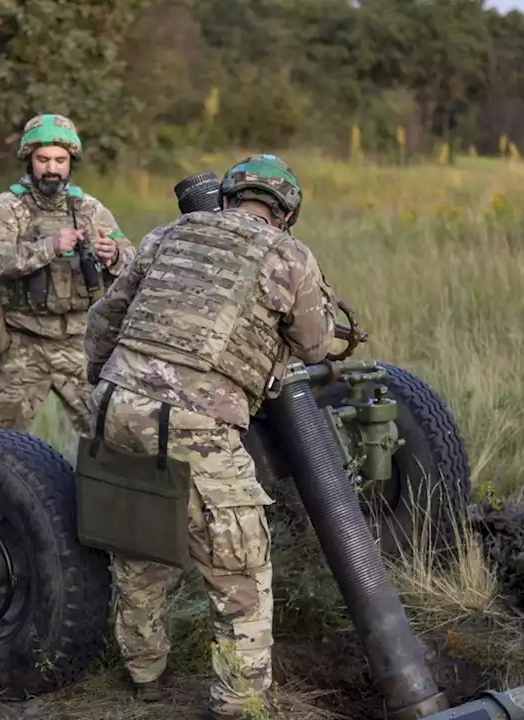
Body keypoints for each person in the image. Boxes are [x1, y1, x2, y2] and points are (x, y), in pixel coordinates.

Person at [81, 154, 339, 719]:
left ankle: (144, 673)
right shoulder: (290, 255)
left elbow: (104, 320)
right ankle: (240, 705)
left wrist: (106, 386)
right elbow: (317, 346)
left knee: (139, 543)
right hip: (194, 422)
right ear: (286, 211)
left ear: (227, 196)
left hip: (115, 405)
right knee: (240, 572)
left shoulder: (170, 233)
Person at [0, 113, 136, 434]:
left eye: (61, 159)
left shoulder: (90, 209)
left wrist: (112, 255)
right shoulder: (7, 207)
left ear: (71, 162)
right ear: (29, 160)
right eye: (43, 159)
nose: (52, 168)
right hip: (20, 341)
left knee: (112, 436)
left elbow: (133, 260)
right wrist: (49, 247)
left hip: (79, 341)